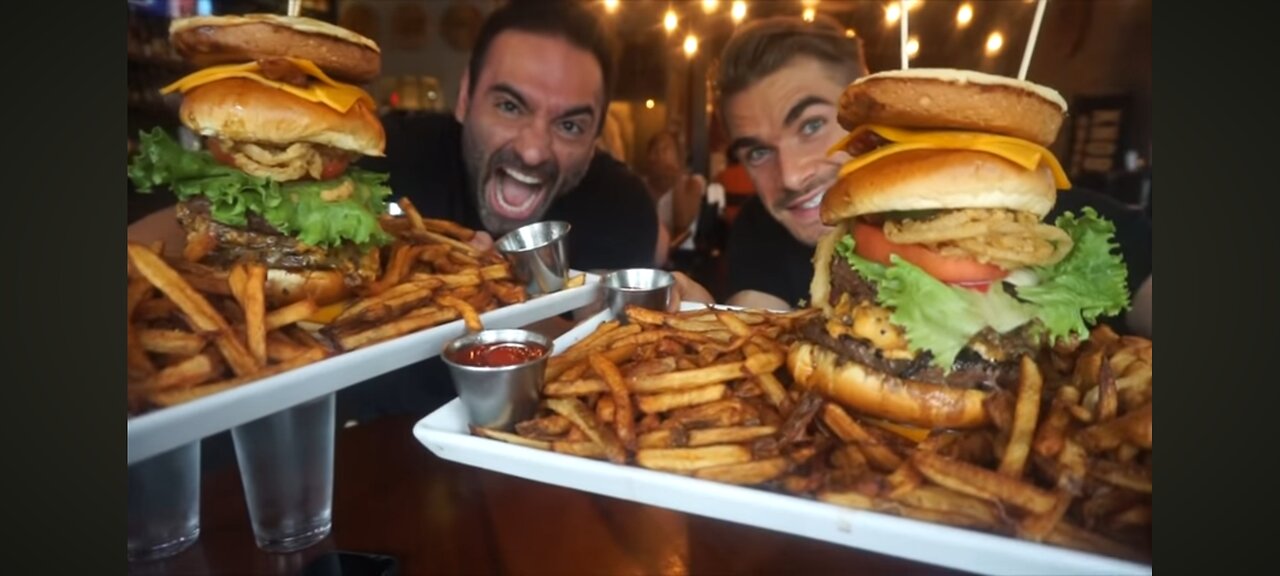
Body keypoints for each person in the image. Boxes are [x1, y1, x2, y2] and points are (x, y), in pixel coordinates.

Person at [714, 15, 869, 312]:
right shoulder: (758, 227)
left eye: (811, 126)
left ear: (867, 112)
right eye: (758, 153)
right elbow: (755, 323)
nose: (791, 177)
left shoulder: (947, 209)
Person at [643, 130, 706, 268]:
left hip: (682, 259)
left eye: (665, 149)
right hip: (647, 257)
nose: (659, 154)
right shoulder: (641, 185)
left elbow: (682, 223)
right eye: (654, 149)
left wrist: (678, 176)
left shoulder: (693, 184)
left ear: (678, 156)